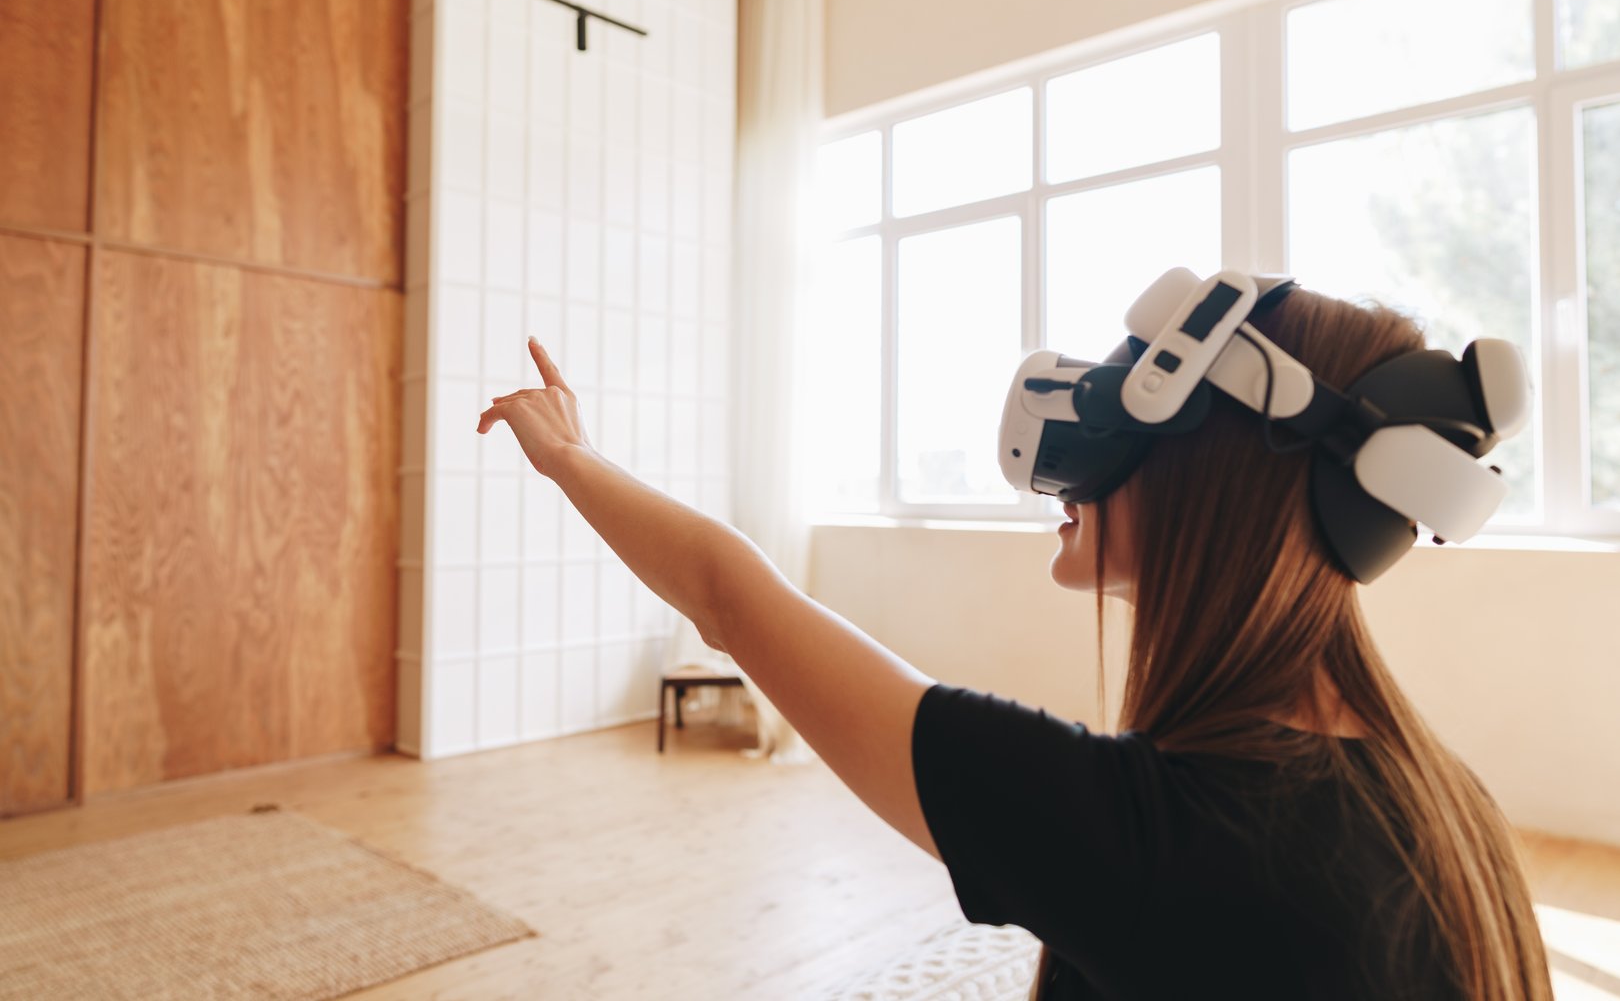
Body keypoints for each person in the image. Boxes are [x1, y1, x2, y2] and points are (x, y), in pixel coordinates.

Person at [477, 287, 1552, 1000]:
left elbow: (729, 595)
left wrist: (571, 460)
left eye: (1137, 394)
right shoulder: (1447, 799)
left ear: (1210, 474)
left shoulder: (1150, 838)